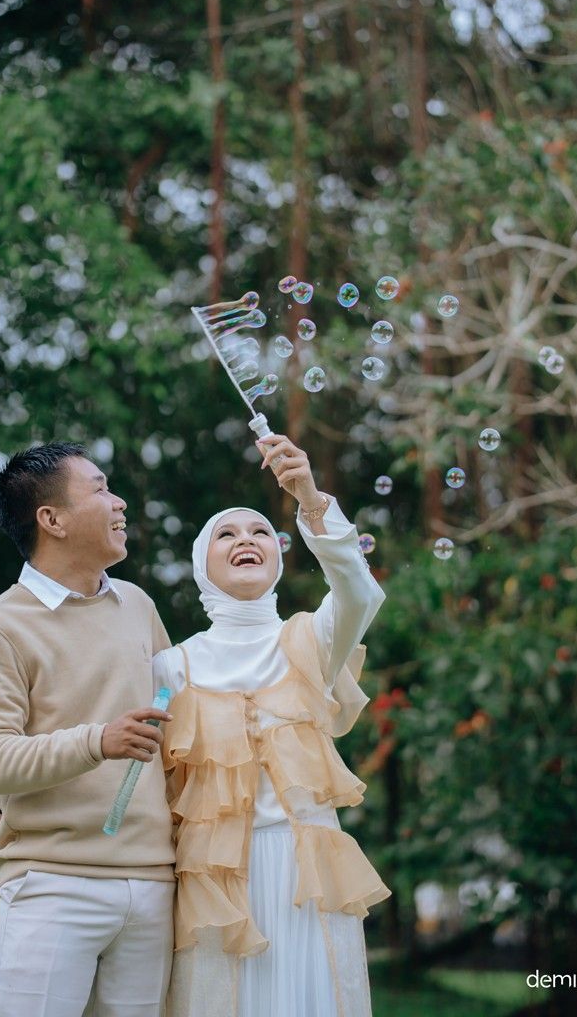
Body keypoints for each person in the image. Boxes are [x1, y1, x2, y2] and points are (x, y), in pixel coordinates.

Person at [153, 432, 390, 1017]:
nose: (246, 540)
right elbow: (134, 775)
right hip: (215, 881)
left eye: (260, 531)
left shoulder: (311, 640)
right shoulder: (172, 666)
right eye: (226, 534)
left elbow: (358, 592)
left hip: (307, 875)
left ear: (278, 557)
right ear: (202, 564)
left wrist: (309, 498)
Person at [0, 441, 176, 1017]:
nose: (119, 502)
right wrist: (96, 741)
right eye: (101, 490)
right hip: (53, 885)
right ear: (51, 520)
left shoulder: (139, 605)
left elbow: (178, 721)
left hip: (156, 884)